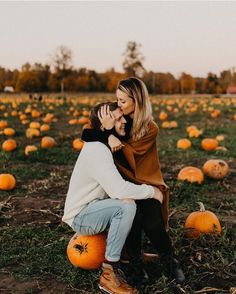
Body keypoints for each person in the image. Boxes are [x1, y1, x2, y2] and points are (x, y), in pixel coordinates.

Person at [81, 77, 185, 285]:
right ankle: (136, 263)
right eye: (117, 99)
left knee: (153, 224)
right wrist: (106, 134)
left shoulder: (149, 128)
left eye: (122, 101)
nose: (118, 104)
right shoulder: (117, 119)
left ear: (136, 101)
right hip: (123, 184)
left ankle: (171, 261)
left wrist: (109, 134)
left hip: (146, 182)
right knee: (133, 220)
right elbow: (86, 133)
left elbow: (128, 151)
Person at [62, 102, 163, 294]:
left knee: (131, 200)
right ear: (105, 124)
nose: (124, 120)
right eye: (117, 118)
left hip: (95, 206)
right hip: (81, 216)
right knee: (125, 206)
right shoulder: (97, 150)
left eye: (122, 116)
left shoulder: (103, 142)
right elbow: (118, 189)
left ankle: (129, 255)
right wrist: (152, 191)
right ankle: (108, 274)